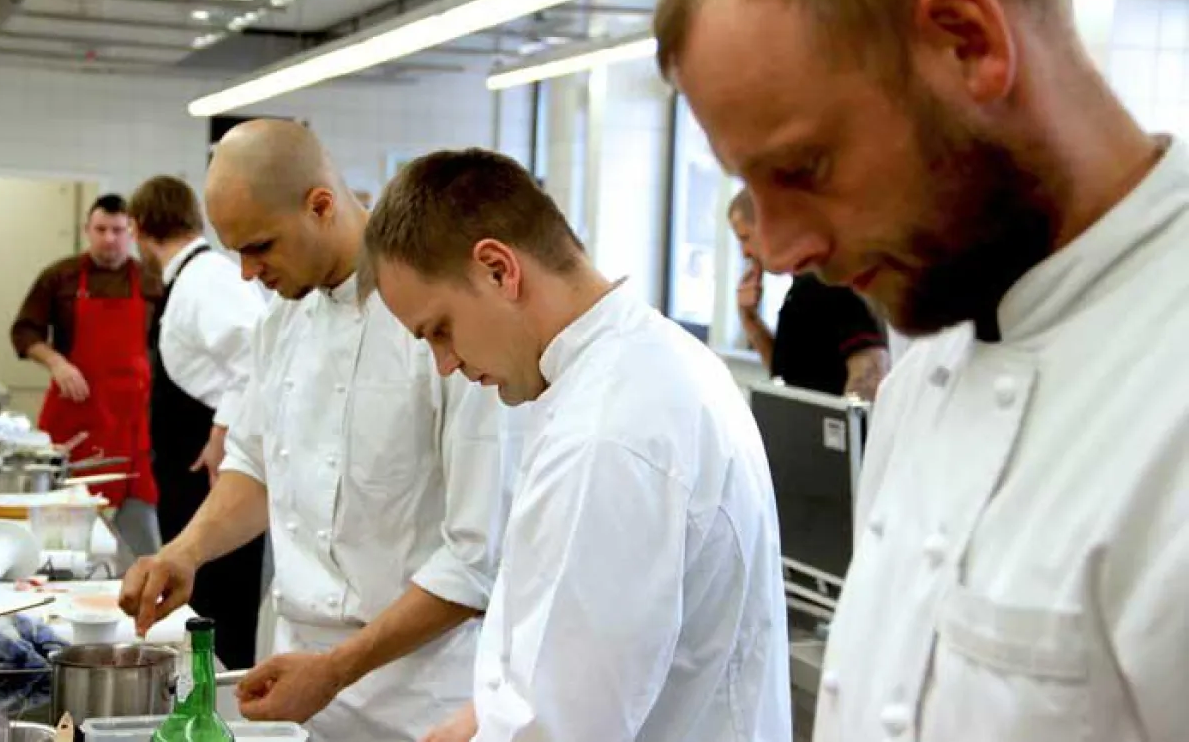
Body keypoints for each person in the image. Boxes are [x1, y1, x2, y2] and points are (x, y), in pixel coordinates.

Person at [656, 0, 1189, 741]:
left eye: (802, 168)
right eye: (749, 189)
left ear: (967, 43)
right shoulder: (922, 376)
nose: (776, 250)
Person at [362, 148, 792, 742]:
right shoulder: (646, 361)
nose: (444, 363)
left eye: (440, 329)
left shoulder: (606, 433)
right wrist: (480, 718)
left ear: (498, 270)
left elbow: (564, 730)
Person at [117, 120, 509, 742]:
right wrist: (183, 553)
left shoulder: (441, 326)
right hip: (295, 676)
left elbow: (475, 558)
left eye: (261, 247)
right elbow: (254, 466)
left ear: (320, 206)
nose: (247, 273)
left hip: (417, 696)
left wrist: (335, 671)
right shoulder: (280, 324)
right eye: (237, 251)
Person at [127, 175, 268, 669]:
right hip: (190, 468)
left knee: (218, 612)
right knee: (201, 605)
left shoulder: (207, 279)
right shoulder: (191, 278)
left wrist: (222, 430)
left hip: (212, 473)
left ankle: (218, 711)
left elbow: (256, 354)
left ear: (139, 227)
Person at [10, 193, 162, 556]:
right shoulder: (59, 277)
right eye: (101, 229)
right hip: (74, 420)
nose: (109, 238)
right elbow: (24, 332)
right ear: (86, 230)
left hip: (130, 426)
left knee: (137, 531)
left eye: (118, 230)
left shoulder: (152, 282)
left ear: (132, 232)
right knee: (60, 530)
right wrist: (57, 363)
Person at [728, 189, 888, 398]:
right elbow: (788, 375)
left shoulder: (825, 282)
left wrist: (845, 426)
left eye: (745, 238)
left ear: (770, 226)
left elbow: (872, 364)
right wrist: (749, 318)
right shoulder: (799, 290)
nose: (744, 252)